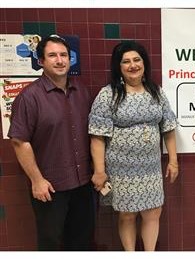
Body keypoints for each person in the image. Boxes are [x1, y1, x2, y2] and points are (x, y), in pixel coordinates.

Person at [89, 40, 179, 251]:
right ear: (118, 67)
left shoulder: (156, 92)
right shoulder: (107, 94)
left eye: (137, 60)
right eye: (126, 61)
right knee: (127, 214)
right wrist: (99, 171)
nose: (133, 65)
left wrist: (173, 161)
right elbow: (97, 137)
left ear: (144, 63)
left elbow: (168, 128)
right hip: (121, 169)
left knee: (153, 211)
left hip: (151, 168)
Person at [8, 35, 95, 250]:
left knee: (82, 242)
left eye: (64, 55)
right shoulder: (29, 97)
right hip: (50, 188)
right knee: (50, 243)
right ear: (41, 62)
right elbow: (20, 142)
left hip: (83, 184)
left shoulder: (82, 91)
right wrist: (37, 180)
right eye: (52, 55)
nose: (59, 60)